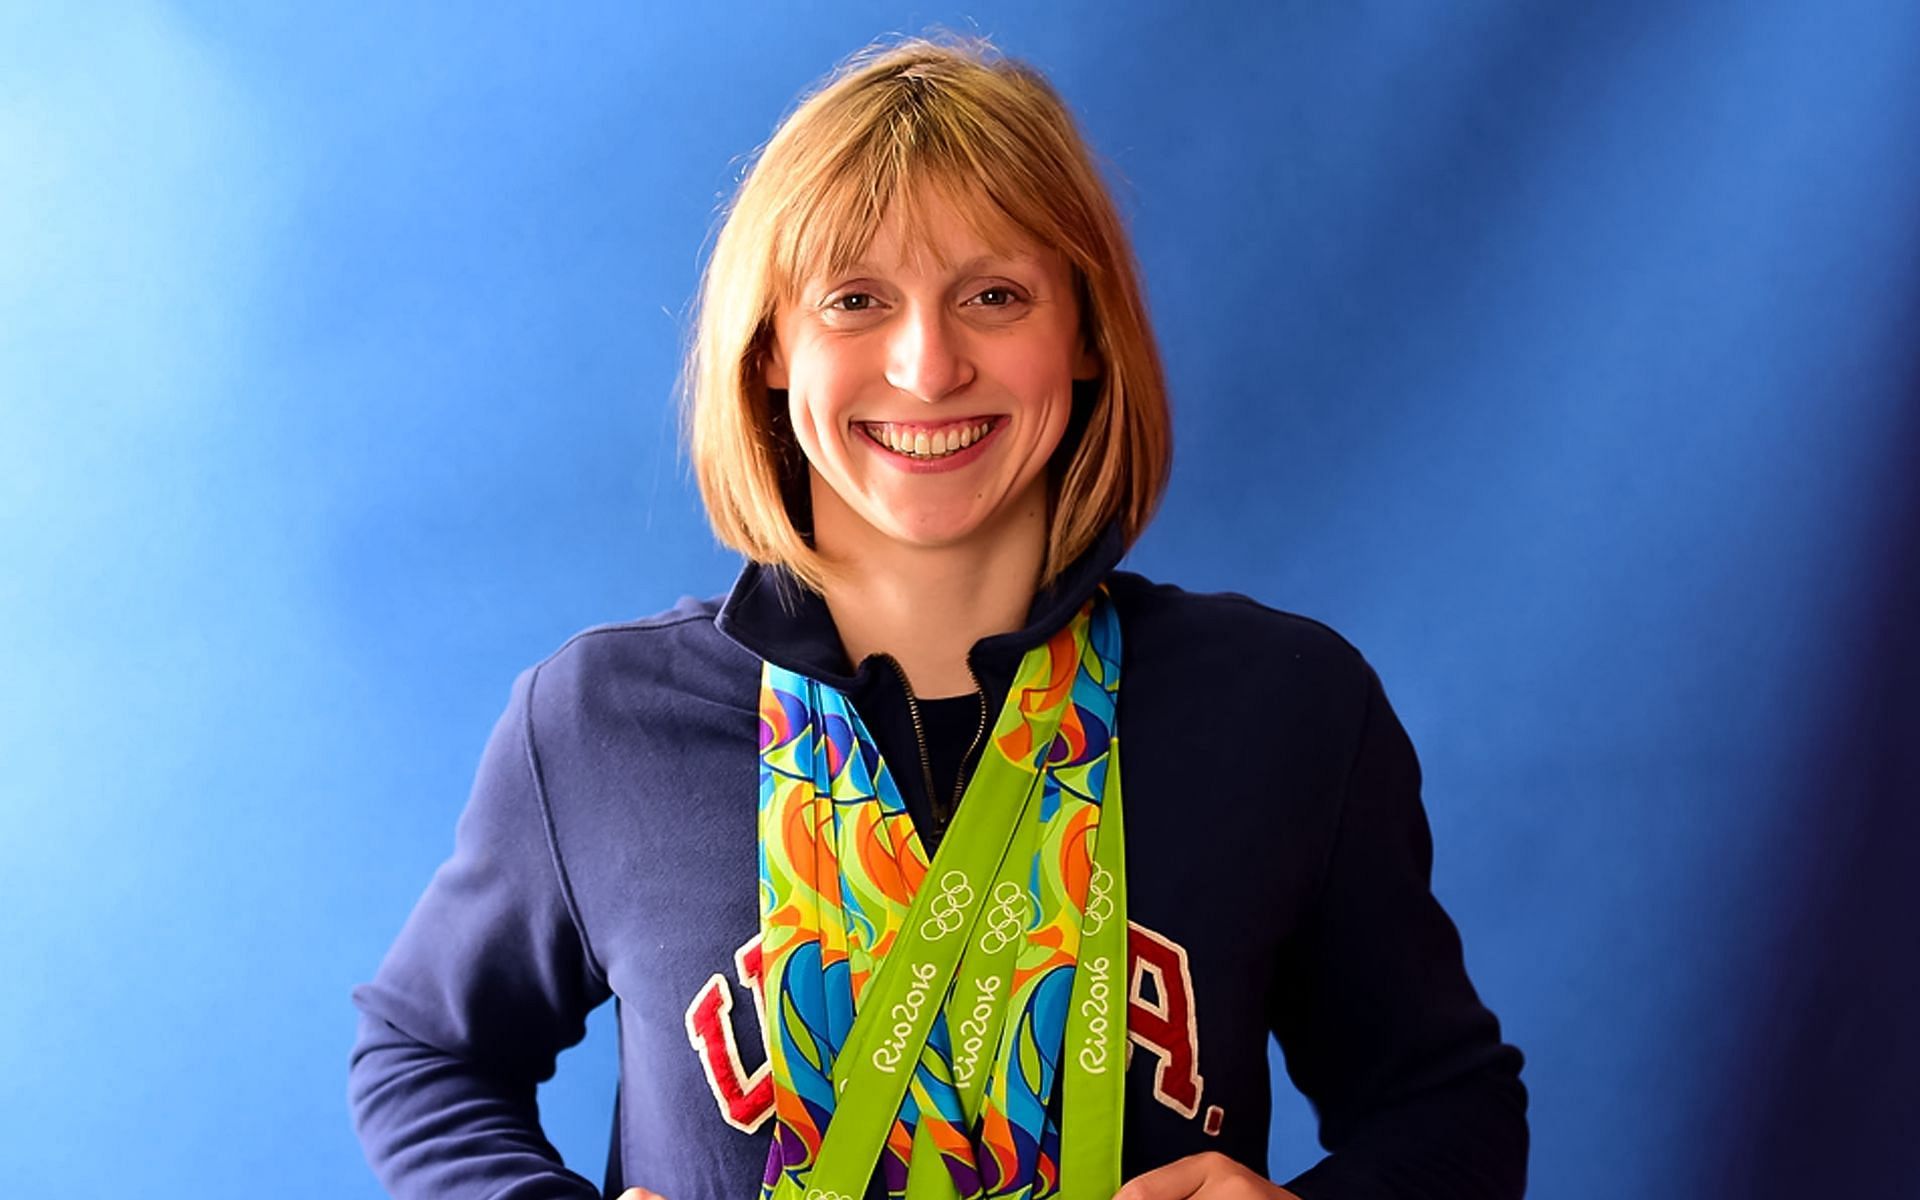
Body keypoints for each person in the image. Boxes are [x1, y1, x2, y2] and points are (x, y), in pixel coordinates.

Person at [348, 35, 1527, 1200]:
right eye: (856, 299)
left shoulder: (1287, 708)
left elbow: (1451, 1109)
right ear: (768, 349)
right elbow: (423, 1053)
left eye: (995, 295)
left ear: (1085, 339)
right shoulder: (599, 723)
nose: (927, 365)